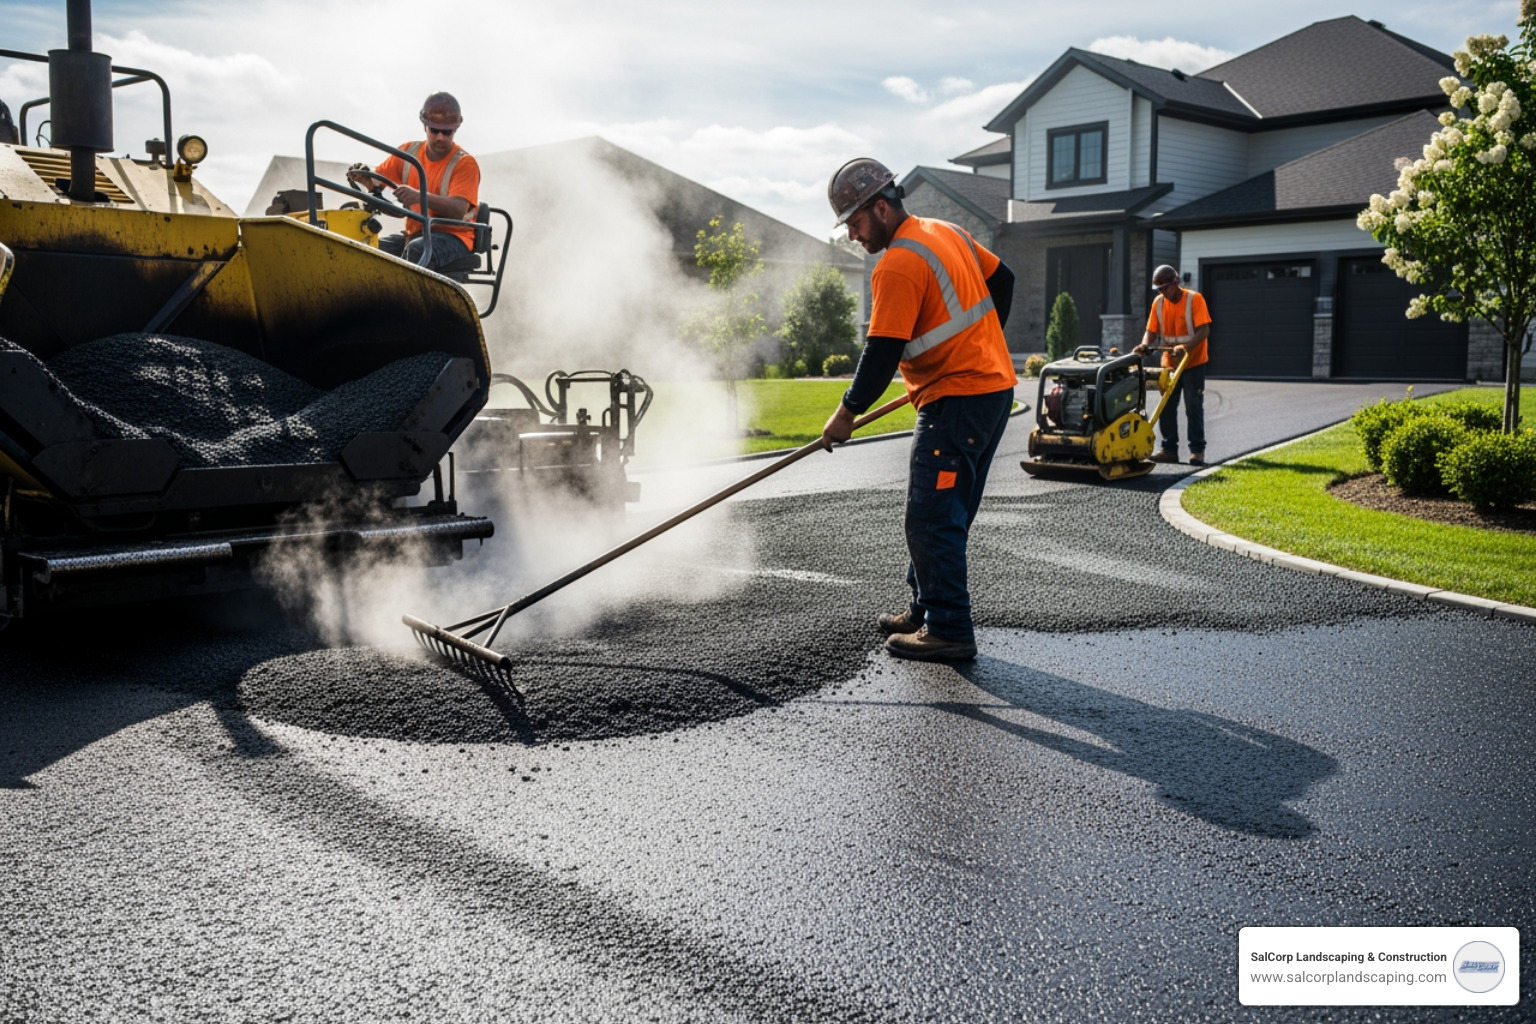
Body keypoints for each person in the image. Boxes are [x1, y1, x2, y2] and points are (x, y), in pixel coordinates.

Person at [819, 158, 1017, 663]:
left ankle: (949, 627)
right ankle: (926, 609)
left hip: (958, 399)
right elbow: (1006, 281)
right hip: (989, 392)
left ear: (880, 208)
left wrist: (845, 413)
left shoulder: (898, 262)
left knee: (931, 517)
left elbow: (882, 352)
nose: (854, 237)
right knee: (943, 511)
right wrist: (977, 345)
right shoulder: (945, 231)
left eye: (856, 224)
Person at [346, 92, 480, 275]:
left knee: (418, 250)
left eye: (447, 132)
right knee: (369, 250)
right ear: (425, 125)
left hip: (454, 237)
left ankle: (407, 302)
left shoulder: (464, 163)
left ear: (456, 129)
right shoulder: (408, 153)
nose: (440, 137)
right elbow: (377, 183)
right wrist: (367, 182)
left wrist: (418, 196)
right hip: (417, 234)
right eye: (434, 130)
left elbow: (458, 210)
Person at [1133, 264, 1211, 465]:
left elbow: (1204, 330)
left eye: (1165, 288)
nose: (1163, 293)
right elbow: (1151, 330)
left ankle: (1197, 450)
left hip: (1193, 362)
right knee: (1166, 405)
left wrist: (1185, 347)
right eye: (1159, 289)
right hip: (1170, 362)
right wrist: (1144, 344)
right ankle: (1169, 449)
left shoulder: (1194, 299)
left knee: (1193, 405)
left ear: (1176, 283)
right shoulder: (1158, 303)